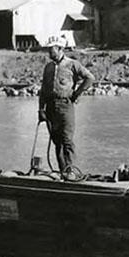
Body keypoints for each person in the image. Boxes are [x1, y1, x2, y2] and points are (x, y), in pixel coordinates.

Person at [38, 35, 94, 178]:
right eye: (49, 49)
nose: (49, 52)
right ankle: (63, 172)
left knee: (67, 140)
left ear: (60, 49)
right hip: (51, 107)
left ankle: (71, 172)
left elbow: (89, 78)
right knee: (57, 142)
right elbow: (43, 90)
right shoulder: (48, 67)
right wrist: (41, 109)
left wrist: (76, 94)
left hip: (65, 106)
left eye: (52, 49)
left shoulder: (72, 64)